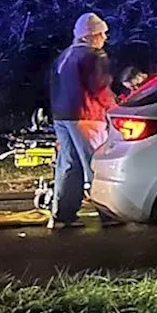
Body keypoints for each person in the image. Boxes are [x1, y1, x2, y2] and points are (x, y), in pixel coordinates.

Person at [49, 13, 119, 229]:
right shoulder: (94, 56)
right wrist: (116, 108)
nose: (105, 37)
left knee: (69, 165)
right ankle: (109, 213)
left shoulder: (63, 56)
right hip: (88, 116)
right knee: (97, 164)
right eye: (102, 33)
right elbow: (100, 87)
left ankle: (63, 215)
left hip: (62, 116)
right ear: (92, 35)